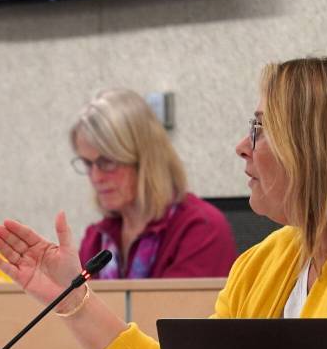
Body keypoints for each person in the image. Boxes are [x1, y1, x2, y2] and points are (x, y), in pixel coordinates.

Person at [0, 57, 327, 349]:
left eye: (260, 128)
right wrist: (73, 300)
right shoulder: (267, 259)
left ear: (319, 145)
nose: (242, 146)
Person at [70, 88, 236, 278]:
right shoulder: (97, 239)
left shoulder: (201, 229)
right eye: (87, 163)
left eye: (107, 162)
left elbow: (178, 308)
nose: (96, 177)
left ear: (146, 160)